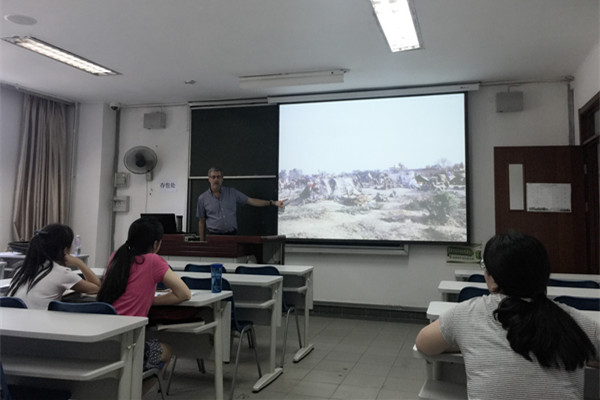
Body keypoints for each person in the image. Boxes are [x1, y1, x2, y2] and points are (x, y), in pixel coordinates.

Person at [416, 231, 599, 400]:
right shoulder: (573, 321)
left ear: (493, 280)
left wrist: (466, 343)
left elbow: (424, 344)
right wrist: (580, 349)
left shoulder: (467, 314)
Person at [97, 217, 192, 372]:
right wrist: (151, 300)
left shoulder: (116, 257)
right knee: (167, 350)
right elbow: (184, 293)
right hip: (128, 344)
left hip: (104, 339)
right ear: (156, 244)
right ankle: (136, 387)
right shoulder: (153, 260)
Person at [8, 224, 101, 309]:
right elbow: (97, 288)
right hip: (39, 321)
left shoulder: (21, 270)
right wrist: (79, 263)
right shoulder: (62, 273)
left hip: (14, 320)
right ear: (65, 250)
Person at [196, 167, 287, 240]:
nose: (216, 179)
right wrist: (202, 241)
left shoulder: (232, 193)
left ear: (222, 179)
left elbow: (251, 201)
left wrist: (273, 203)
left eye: (218, 177)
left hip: (231, 236)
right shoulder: (202, 198)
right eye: (213, 177)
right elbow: (201, 221)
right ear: (209, 179)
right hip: (213, 237)